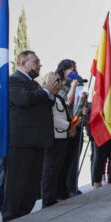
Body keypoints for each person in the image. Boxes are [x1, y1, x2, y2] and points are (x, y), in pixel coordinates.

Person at [2, 51, 58, 222]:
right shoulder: (13, 80)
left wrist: (50, 92)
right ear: (23, 62)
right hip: (20, 143)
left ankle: (24, 217)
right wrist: (46, 91)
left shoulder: (34, 84)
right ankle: (11, 219)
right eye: (36, 61)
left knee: (31, 185)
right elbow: (24, 99)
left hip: (36, 141)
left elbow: (43, 101)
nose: (39, 65)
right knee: (17, 184)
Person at [41, 72, 75, 207]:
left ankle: (58, 193)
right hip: (53, 138)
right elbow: (50, 118)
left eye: (60, 80)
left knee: (60, 167)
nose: (60, 83)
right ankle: (47, 198)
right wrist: (68, 126)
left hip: (62, 137)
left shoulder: (58, 98)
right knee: (50, 169)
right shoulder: (48, 99)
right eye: (57, 81)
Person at [56, 59, 87, 198]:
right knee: (64, 161)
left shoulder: (76, 86)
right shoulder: (60, 86)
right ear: (64, 71)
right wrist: (74, 87)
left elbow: (77, 107)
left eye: (76, 69)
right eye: (72, 70)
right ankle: (63, 190)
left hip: (77, 126)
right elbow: (67, 102)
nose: (75, 73)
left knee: (74, 160)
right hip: (65, 128)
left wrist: (83, 102)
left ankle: (72, 187)